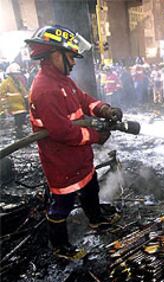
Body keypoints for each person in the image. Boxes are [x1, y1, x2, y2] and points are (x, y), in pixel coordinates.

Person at [25, 25, 123, 260]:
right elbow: (63, 132)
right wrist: (97, 137)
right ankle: (60, 247)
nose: (75, 62)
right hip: (61, 162)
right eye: (71, 56)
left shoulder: (63, 81)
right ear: (55, 54)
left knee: (91, 189)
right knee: (62, 206)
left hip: (79, 157)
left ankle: (96, 220)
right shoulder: (45, 90)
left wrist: (103, 109)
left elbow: (83, 99)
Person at [0, 63, 28, 138]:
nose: (17, 75)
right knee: (18, 121)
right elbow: (2, 97)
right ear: (11, 74)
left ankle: (20, 131)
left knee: (21, 119)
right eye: (15, 74)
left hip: (20, 106)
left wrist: (27, 99)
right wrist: (6, 109)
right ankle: (18, 133)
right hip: (12, 107)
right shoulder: (5, 83)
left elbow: (24, 92)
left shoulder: (18, 82)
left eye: (17, 74)